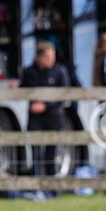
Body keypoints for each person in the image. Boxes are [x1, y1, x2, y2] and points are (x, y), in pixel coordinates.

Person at [19, 41, 74, 180]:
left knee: (51, 153)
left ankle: (51, 185)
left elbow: (64, 95)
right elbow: (22, 90)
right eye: (47, 57)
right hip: (35, 117)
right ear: (38, 57)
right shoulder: (29, 72)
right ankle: (36, 184)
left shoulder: (60, 71)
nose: (51, 60)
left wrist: (45, 105)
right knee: (35, 152)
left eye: (53, 56)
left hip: (53, 116)